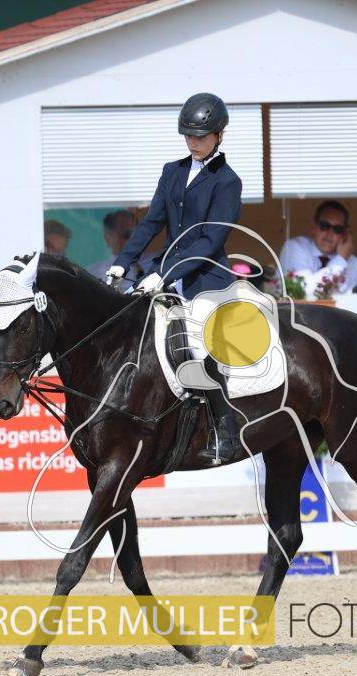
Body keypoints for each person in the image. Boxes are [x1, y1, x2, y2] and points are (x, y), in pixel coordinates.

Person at [104, 92, 244, 465]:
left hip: (206, 279)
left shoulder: (227, 181)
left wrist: (164, 274)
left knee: (199, 343)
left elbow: (210, 240)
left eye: (201, 136)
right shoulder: (173, 171)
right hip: (164, 274)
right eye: (188, 136)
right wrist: (124, 262)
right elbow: (152, 221)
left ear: (219, 135)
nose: (193, 142)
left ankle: (225, 430)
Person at [280, 200, 357, 297]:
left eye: (337, 229)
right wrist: (340, 261)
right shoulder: (294, 248)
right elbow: (306, 292)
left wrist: (342, 259)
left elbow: (343, 300)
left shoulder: (352, 263)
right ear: (313, 227)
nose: (330, 234)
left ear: (345, 234)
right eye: (324, 226)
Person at [86, 209, 138, 283]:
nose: (129, 238)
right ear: (107, 238)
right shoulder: (94, 273)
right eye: (124, 233)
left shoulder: (153, 266)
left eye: (132, 232)